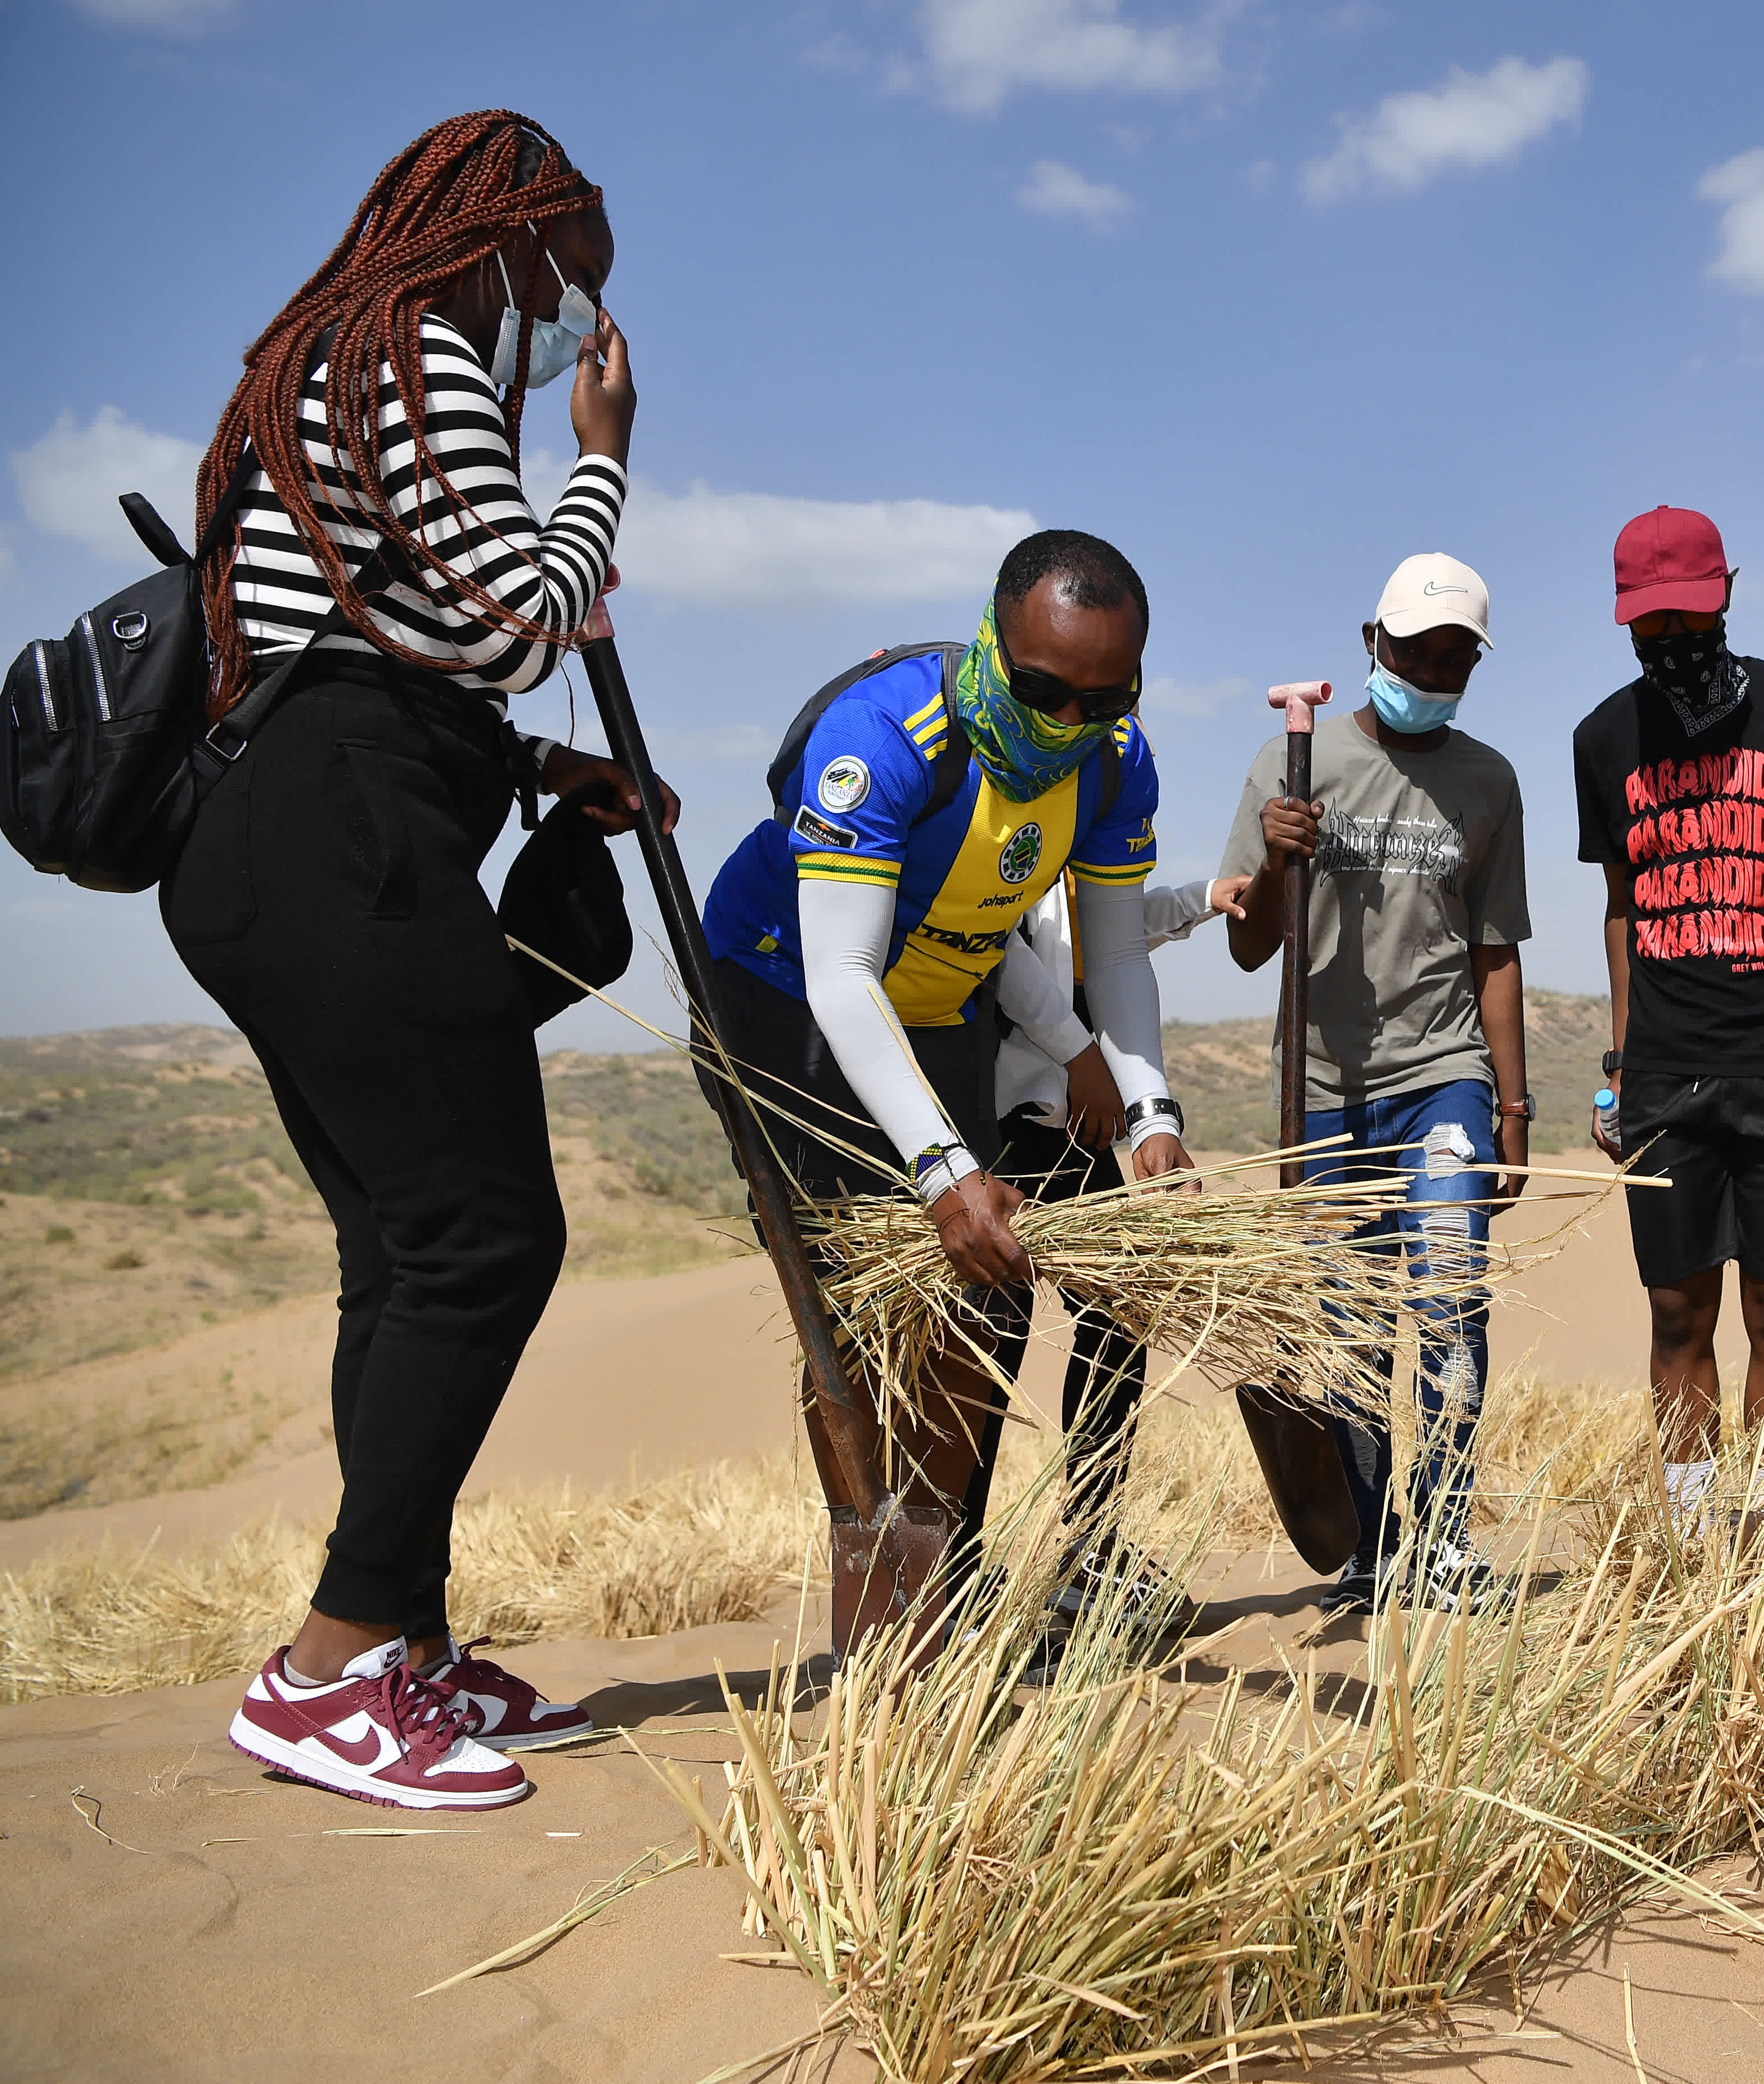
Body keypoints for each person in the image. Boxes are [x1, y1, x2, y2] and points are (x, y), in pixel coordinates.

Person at [184, 113, 670, 1811]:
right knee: (482, 1239)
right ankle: (319, 1674)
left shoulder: (331, 362)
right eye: (577, 283)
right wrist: (603, 455)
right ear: (509, 245)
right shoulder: (415, 348)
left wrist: (539, 776)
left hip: (297, 837)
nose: (583, 323)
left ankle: (398, 1646)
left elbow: (385, 640)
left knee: (403, 1259)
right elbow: (505, 615)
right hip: (337, 844)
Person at [698, 531, 1194, 1640]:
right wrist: (943, 1167)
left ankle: (943, 1571)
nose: (1069, 722)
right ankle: (877, 1604)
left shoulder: (1116, 760)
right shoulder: (884, 739)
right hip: (786, 994)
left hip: (945, 997)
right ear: (993, 636)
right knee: (861, 1309)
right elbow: (841, 975)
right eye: (1043, 692)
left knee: (986, 1287)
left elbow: (1112, 952)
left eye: (1104, 698)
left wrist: (1152, 1111)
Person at [1219, 553, 1530, 1614]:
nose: (1431, 670)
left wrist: (1515, 1105)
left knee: (1446, 1294)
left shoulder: (1488, 781)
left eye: (1453, 657)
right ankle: (1372, 1541)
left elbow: (1493, 948)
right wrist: (1273, 863)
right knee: (1351, 1323)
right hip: (1322, 1091)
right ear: (1370, 642)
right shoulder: (1289, 761)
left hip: (1445, 1076)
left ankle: (1443, 1536)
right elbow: (1250, 951)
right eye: (1413, 651)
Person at [1573, 505, 1764, 1522]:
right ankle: (1695, 1530)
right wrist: (1618, 1062)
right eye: (1648, 627)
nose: (1669, 644)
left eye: (1686, 620)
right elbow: (1622, 908)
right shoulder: (1603, 737)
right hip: (1666, 1071)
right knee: (1674, 1309)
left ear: (1726, 597)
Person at [979, 866, 1245, 1626]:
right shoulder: (1018, 810)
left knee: (1119, 1309)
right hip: (1003, 1108)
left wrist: (1200, 900)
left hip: (1071, 1113)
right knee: (990, 1329)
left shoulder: (1080, 833)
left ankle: (1089, 1544)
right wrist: (1079, 1056)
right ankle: (957, 1556)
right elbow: (1006, 949)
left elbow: (1099, 932)